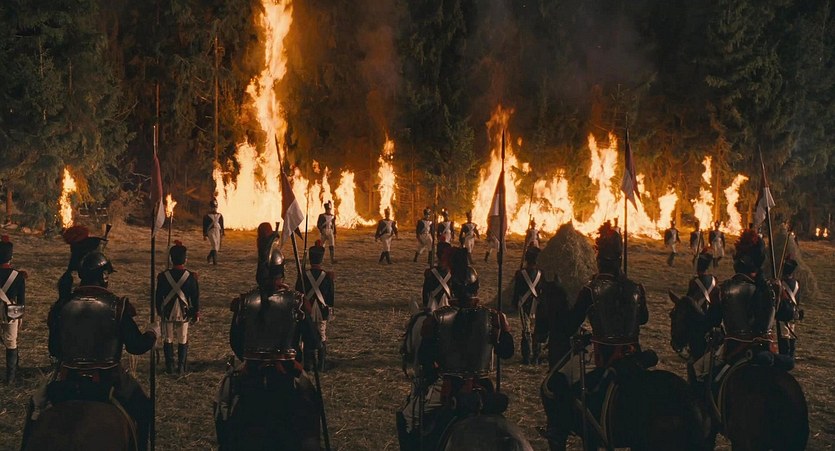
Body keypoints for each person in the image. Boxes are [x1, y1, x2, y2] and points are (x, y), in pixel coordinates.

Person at [27, 251, 159, 451]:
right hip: (109, 378)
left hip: (68, 377)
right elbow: (136, 346)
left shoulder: (63, 305)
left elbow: (54, 349)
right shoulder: (117, 306)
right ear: (104, 276)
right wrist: (152, 333)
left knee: (34, 409)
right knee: (144, 408)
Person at [541, 221, 650, 450]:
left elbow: (570, 325)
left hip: (603, 357)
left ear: (599, 258)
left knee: (553, 384)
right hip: (634, 355)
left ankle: (558, 431)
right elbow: (643, 319)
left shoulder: (591, 290)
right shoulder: (636, 288)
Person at [397, 248, 514, 451]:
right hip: (483, 389)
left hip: (448, 387)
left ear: (452, 288)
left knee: (407, 417)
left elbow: (425, 359)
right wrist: (502, 331)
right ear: (477, 288)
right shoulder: (494, 317)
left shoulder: (438, 319)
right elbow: (507, 352)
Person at [217, 228, 321, 450]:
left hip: (252, 372)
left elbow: (235, 342)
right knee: (312, 404)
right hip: (287, 372)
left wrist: (251, 357)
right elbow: (314, 341)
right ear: (281, 272)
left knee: (223, 403)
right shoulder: (297, 301)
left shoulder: (245, 301)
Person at [704, 229, 792, 369]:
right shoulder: (772, 288)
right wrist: (780, 293)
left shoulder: (724, 289)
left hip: (735, 351)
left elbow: (712, 320)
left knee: (703, 373)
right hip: (768, 350)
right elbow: (788, 314)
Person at [155, 240, 200, 375]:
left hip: (167, 311)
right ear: (185, 259)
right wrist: (196, 312)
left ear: (171, 259)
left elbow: (158, 296)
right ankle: (181, 367)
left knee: (168, 338)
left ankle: (170, 367)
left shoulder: (163, 276)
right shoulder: (191, 277)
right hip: (184, 312)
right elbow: (195, 297)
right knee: (183, 338)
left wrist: (159, 311)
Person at [296, 241, 334, 372]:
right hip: (322, 310)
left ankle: (308, 364)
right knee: (321, 335)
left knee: (307, 334)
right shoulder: (327, 276)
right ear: (321, 259)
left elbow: (298, 292)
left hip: (307, 309)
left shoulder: (303, 275)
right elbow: (330, 297)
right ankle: (321, 365)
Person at [0, 235, 25, 384]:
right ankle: (10, 378)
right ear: (11, 257)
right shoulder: (18, 276)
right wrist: (19, 316)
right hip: (11, 311)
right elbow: (21, 299)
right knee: (11, 342)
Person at [512, 246, 543, 365]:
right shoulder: (541, 273)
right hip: (537, 304)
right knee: (536, 330)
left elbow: (517, 291)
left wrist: (515, 303)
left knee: (526, 331)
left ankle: (526, 357)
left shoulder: (520, 274)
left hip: (524, 304)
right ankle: (536, 356)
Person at [778, 257, 803, 360]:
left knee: (784, 336)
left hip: (783, 313)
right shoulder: (797, 283)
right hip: (793, 312)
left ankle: (785, 358)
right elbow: (798, 299)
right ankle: (791, 356)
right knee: (791, 334)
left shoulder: (780, 283)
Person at [420, 242, 453, 312]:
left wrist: (426, 304)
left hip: (436, 306)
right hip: (446, 308)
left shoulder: (430, 273)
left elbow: (426, 292)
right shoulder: (453, 272)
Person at [203, 198, 225, 265]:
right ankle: (215, 262)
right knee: (215, 245)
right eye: (213, 207)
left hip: (217, 231)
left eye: (215, 207)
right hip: (211, 231)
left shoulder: (220, 215)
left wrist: (222, 232)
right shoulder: (206, 216)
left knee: (216, 247)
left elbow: (221, 224)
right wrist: (204, 235)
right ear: (210, 207)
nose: (214, 209)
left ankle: (209, 257)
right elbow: (205, 225)